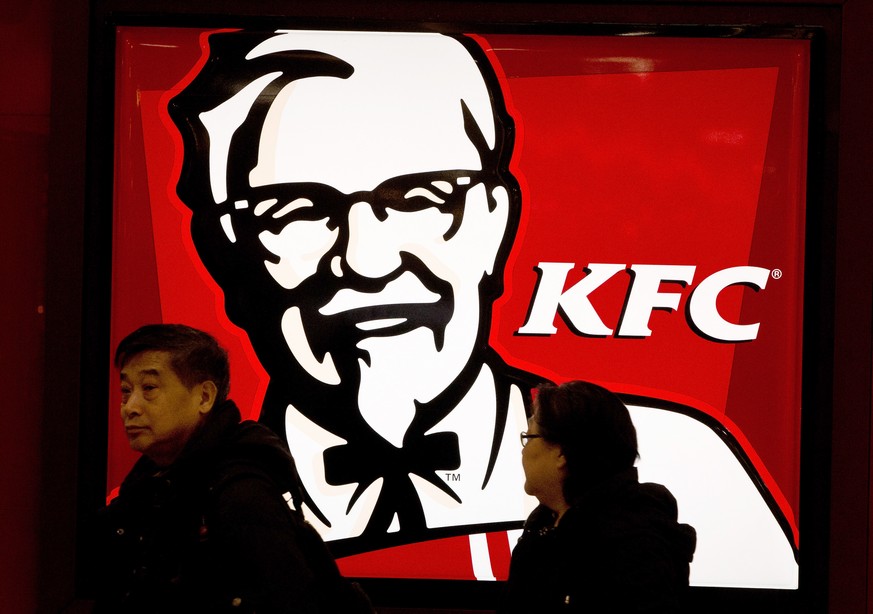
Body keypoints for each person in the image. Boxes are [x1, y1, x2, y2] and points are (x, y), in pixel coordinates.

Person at [166, 28, 798, 587]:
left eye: (421, 199)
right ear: (226, 255)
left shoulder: (687, 463)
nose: (368, 259)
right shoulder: (205, 496)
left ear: (495, 225)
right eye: (297, 212)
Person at [92, 324, 374, 613]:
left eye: (149, 388)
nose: (130, 407)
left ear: (204, 397)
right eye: (126, 390)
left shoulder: (241, 493)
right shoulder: (145, 489)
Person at [501, 380, 697, 613]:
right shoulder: (544, 526)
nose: (524, 449)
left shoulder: (634, 548)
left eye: (529, 437)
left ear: (561, 453)